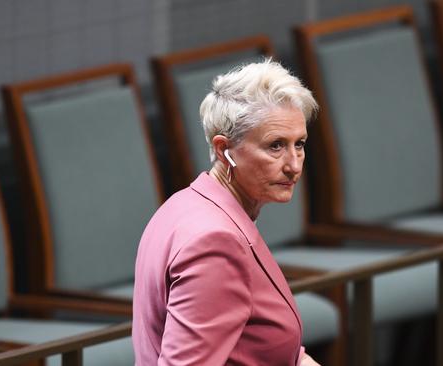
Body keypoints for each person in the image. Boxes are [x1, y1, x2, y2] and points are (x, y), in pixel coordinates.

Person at [132, 59, 321, 365]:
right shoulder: (215, 242)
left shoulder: (186, 204)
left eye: (298, 144)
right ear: (224, 150)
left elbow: (256, 343)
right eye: (275, 146)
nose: (294, 165)